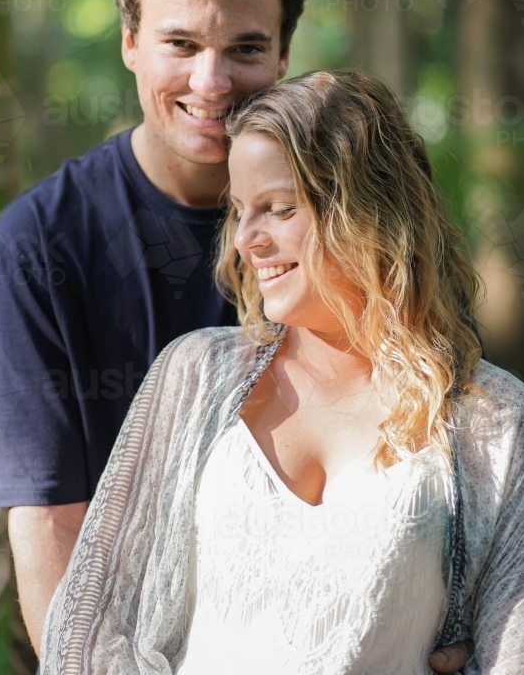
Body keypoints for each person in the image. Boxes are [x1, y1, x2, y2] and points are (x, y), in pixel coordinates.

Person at [0, 0, 470, 673]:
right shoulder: (37, 246)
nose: (211, 82)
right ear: (130, 42)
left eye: (244, 47)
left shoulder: (357, 227)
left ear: (282, 54)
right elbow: (50, 518)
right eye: (179, 43)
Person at [41, 70, 521, 675]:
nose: (246, 239)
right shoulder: (193, 375)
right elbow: (90, 626)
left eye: (277, 209)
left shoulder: (493, 420)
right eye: (240, 210)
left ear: (370, 211)